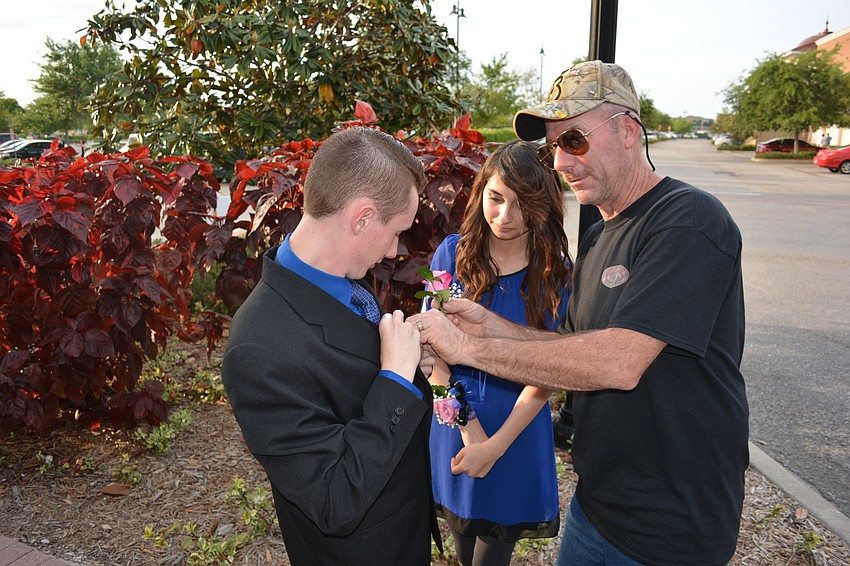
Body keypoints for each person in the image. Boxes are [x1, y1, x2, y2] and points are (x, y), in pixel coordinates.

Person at [413, 60, 748, 566]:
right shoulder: (597, 238)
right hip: (599, 507)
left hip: (671, 524)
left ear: (629, 130)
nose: (561, 163)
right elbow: (564, 345)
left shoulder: (688, 221)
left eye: (574, 140)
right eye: (554, 149)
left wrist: (468, 347)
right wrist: (493, 326)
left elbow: (619, 361)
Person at [221, 126, 441, 566]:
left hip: (402, 531)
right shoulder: (257, 350)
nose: (396, 249)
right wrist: (396, 378)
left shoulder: (346, 284)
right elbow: (333, 498)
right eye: (396, 231)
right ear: (361, 218)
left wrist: (414, 364)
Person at [425, 140, 572, 566]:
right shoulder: (449, 254)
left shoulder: (557, 273)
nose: (506, 217)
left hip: (517, 434)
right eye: (496, 198)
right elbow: (431, 351)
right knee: (462, 545)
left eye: (522, 204)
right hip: (453, 428)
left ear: (542, 205)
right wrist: (468, 428)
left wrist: (494, 446)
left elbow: (548, 371)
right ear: (481, 192)